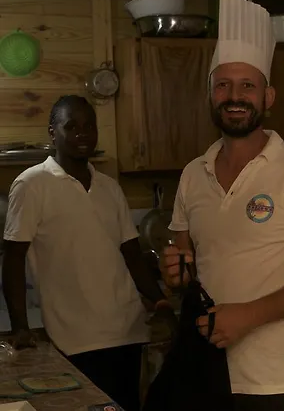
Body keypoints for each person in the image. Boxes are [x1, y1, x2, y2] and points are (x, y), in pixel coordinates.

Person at [160, 0, 284, 411]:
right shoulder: (193, 174)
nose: (235, 95)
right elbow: (185, 268)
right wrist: (174, 272)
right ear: (210, 95)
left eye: (248, 85)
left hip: (278, 383)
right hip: (206, 376)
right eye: (223, 85)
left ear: (268, 97)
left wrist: (249, 315)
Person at [2, 95, 175, 411]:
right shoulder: (30, 185)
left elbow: (131, 253)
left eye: (89, 126)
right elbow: (13, 259)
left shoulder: (110, 187)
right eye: (71, 126)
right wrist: (20, 327)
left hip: (128, 331)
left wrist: (160, 300)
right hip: (74, 340)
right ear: (52, 132)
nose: (82, 133)